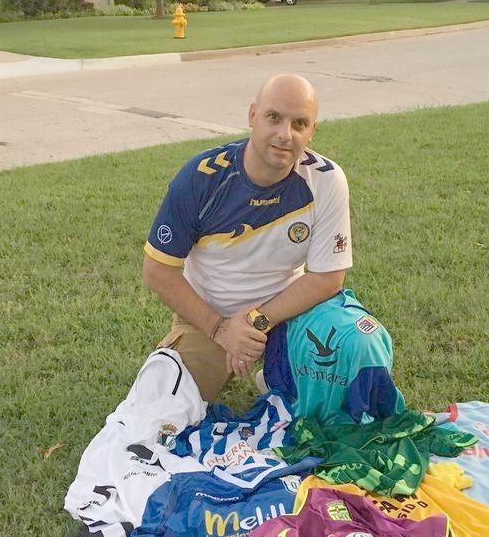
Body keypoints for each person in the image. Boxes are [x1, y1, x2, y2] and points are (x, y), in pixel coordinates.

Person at [142, 73, 353, 402]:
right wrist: (221, 330)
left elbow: (328, 278)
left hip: (288, 314)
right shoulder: (201, 178)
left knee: (356, 358)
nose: (285, 135)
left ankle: (275, 374)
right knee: (160, 406)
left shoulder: (326, 180)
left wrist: (257, 322)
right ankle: (221, 361)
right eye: (274, 118)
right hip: (209, 317)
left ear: (312, 131)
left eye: (299, 123)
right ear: (253, 116)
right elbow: (157, 269)